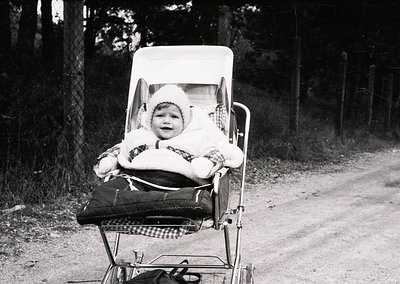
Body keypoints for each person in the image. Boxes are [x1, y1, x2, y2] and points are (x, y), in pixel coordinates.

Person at [94, 84, 243, 189]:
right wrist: (109, 160)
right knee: (110, 191)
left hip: (178, 182)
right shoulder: (139, 135)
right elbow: (122, 149)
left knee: (186, 198)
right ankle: (98, 207)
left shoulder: (193, 138)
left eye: (174, 117)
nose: (166, 121)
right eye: (160, 115)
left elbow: (212, 152)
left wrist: (206, 163)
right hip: (137, 178)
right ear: (150, 119)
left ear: (184, 122)